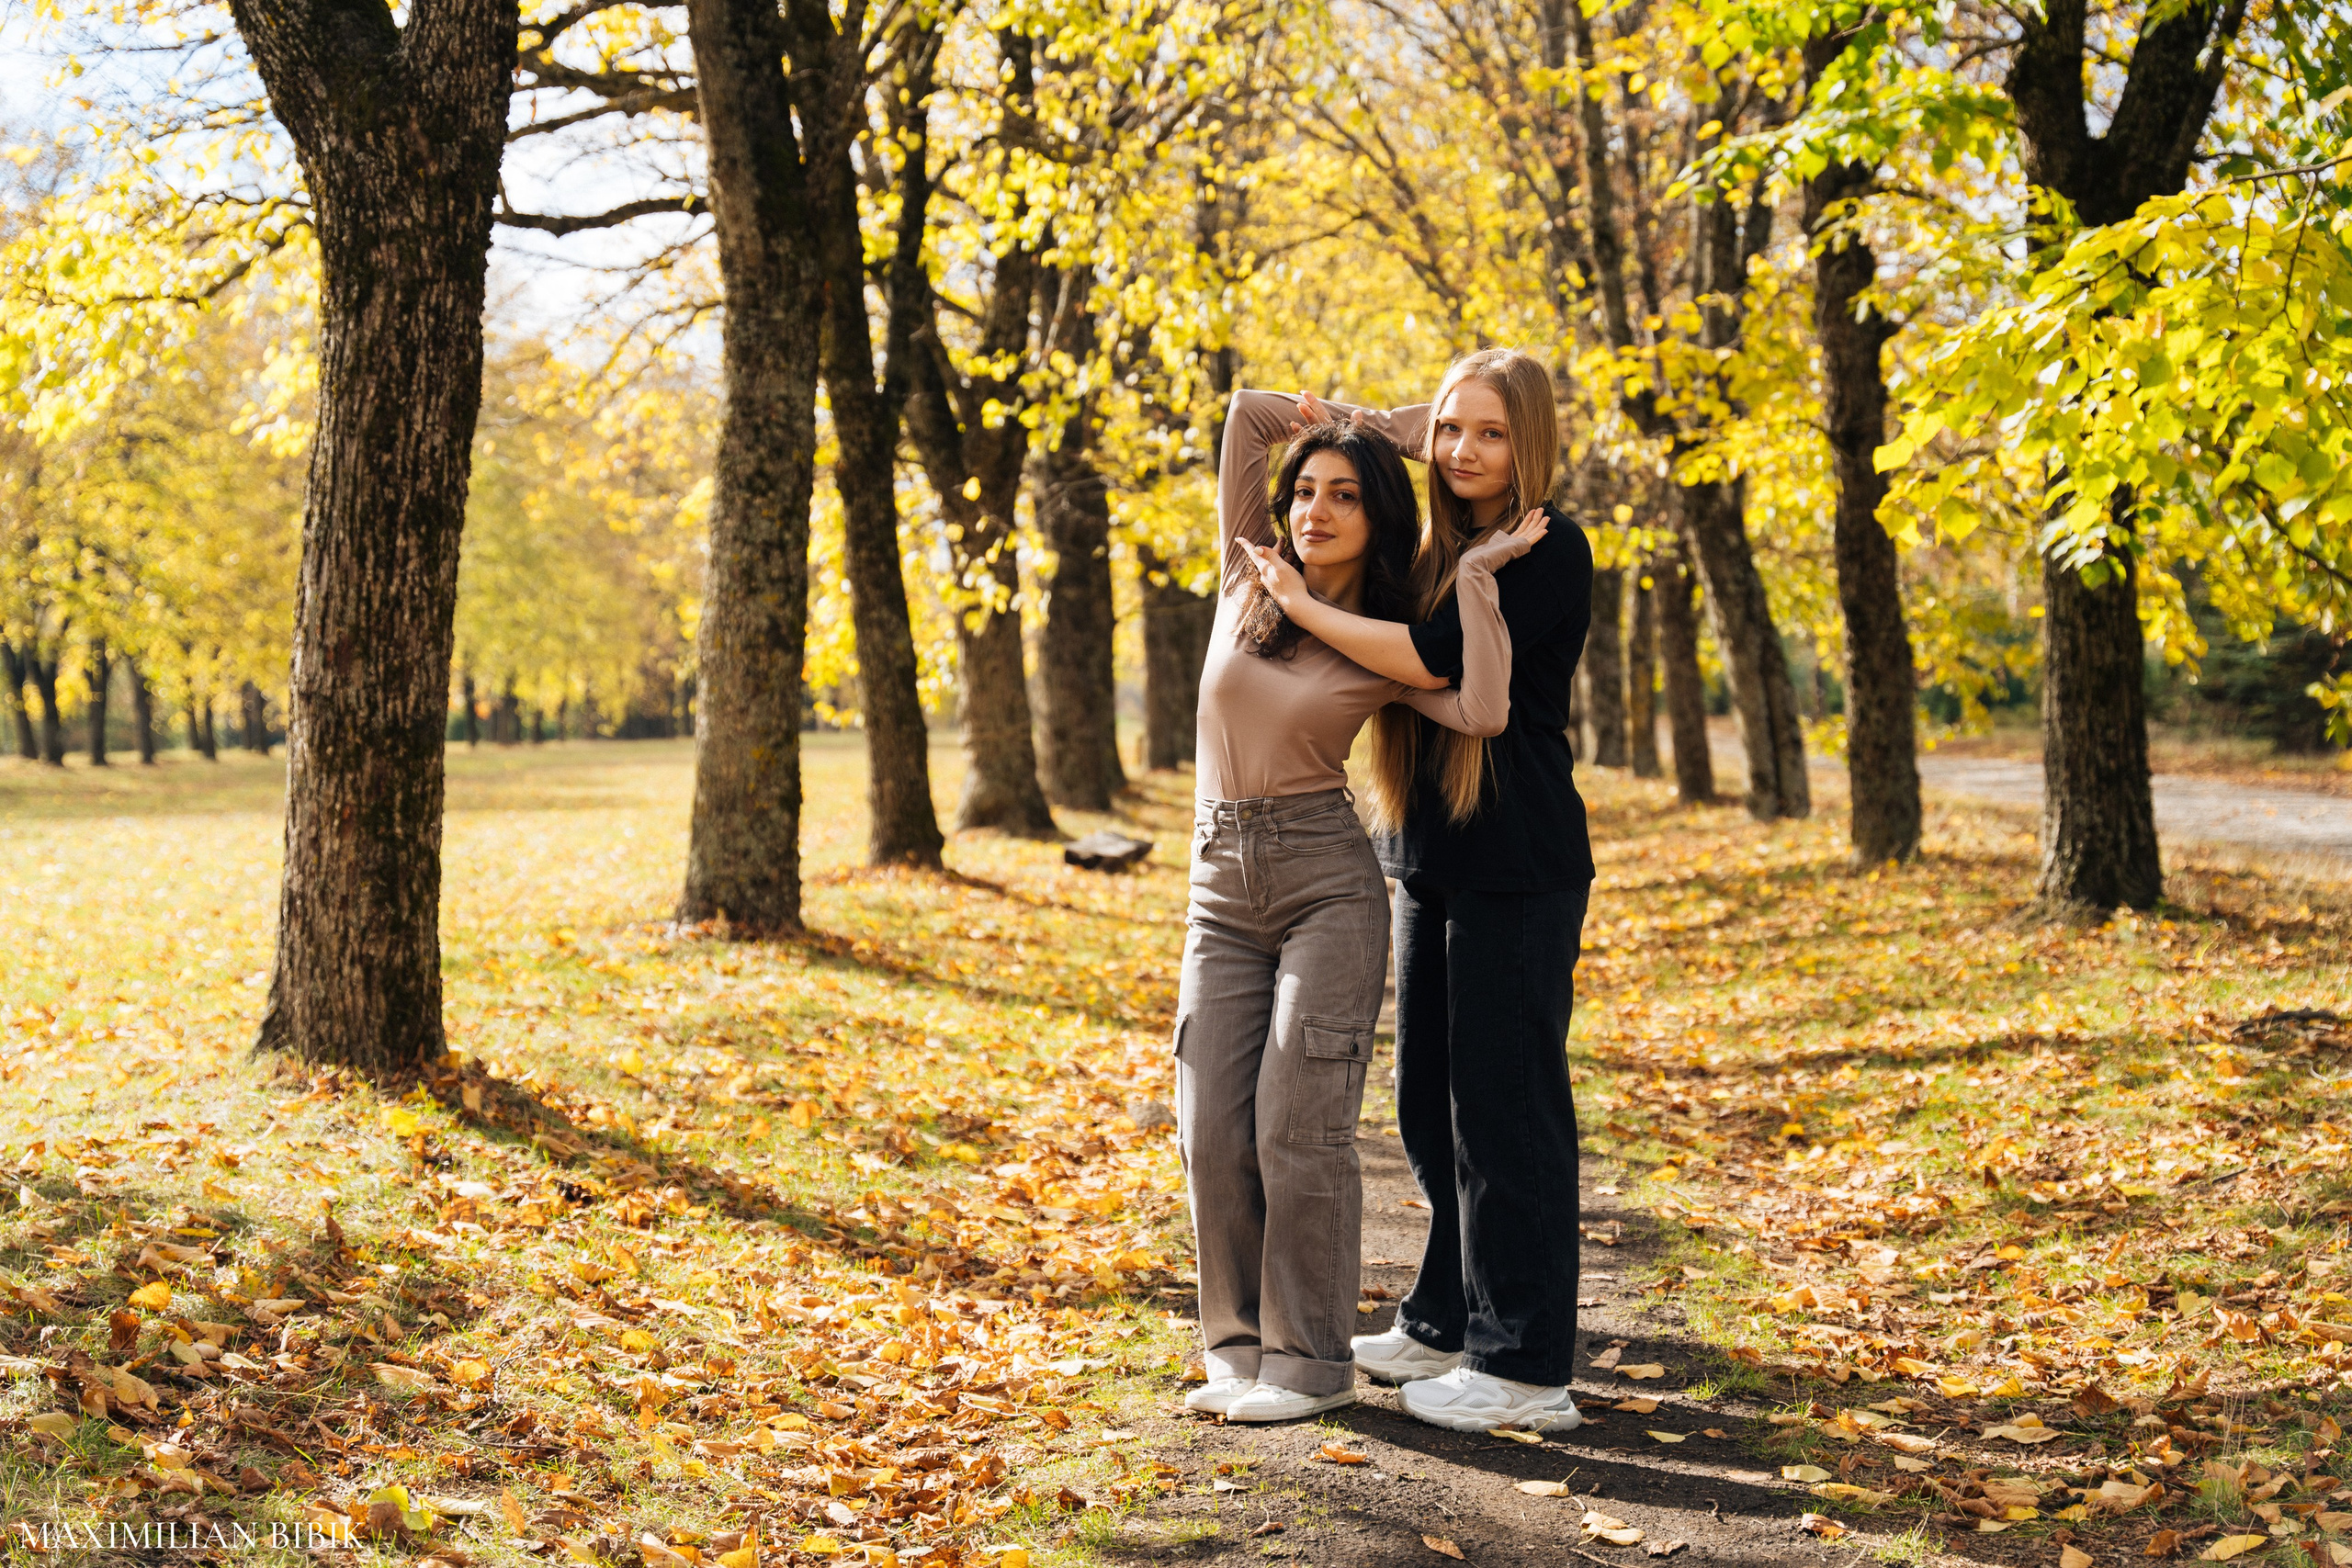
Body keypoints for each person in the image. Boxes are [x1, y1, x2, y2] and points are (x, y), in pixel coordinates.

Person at [1177, 390, 1547, 1425]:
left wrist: (1471, 577)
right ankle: (1236, 1346)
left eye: (1344, 495)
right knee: (1210, 1128)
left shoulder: (1377, 632)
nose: (1313, 510)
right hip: (1216, 888)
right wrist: (1377, 425)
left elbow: (1479, 706)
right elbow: (1249, 415)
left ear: (1380, 519)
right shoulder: (1245, 576)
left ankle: (1308, 1365)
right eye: (1302, 491)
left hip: (1324, 890)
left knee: (1297, 1129)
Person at [1248, 349, 1594, 1434]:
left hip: (1518, 864)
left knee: (1507, 1111)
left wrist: (1301, 606)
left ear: (1529, 443)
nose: (1462, 452)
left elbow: (1435, 660)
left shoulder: (1542, 548)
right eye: (1449, 430)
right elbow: (1283, 423)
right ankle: (1445, 1318)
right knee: (1428, 1108)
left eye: (1491, 433)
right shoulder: (1433, 538)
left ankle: (1527, 1366)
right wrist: (1378, 421)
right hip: (1430, 858)